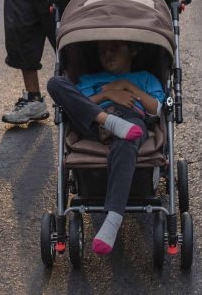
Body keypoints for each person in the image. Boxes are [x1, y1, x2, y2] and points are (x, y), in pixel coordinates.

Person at [46, 40, 163, 254]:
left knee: (128, 138)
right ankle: (109, 122)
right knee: (55, 83)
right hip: (94, 121)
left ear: (133, 50)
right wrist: (107, 95)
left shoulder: (145, 77)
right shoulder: (89, 79)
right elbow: (76, 104)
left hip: (131, 120)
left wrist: (128, 87)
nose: (107, 54)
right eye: (102, 51)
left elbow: (156, 110)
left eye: (115, 48)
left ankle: (113, 220)